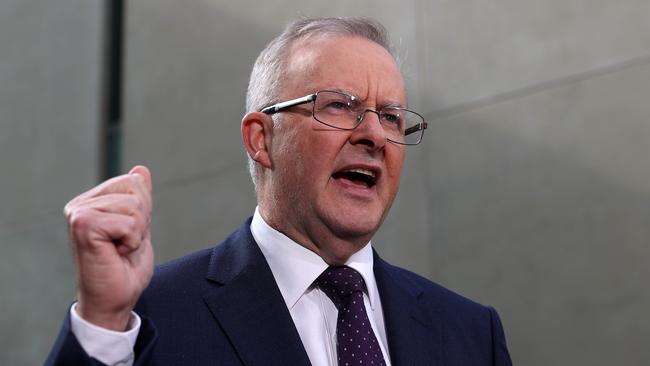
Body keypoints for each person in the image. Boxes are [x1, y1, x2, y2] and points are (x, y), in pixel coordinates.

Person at [46, 17, 512, 366]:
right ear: (261, 139)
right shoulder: (147, 316)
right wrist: (102, 325)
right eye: (339, 105)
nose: (374, 134)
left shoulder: (470, 334)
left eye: (391, 116)